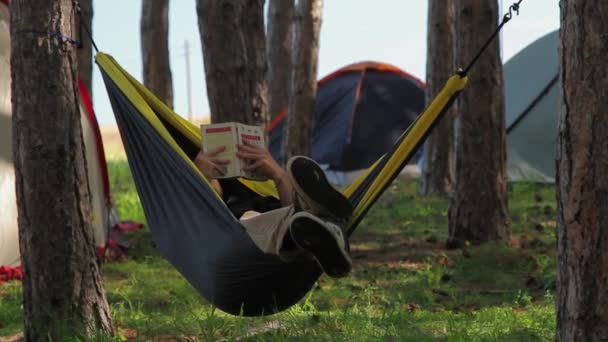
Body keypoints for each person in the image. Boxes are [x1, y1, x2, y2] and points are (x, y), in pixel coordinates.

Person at [194, 142, 353, 277]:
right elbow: (202, 214)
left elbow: (288, 208)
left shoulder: (256, 190)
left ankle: (324, 221)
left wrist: (278, 175)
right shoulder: (219, 215)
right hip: (249, 237)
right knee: (256, 219)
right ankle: (326, 218)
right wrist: (201, 179)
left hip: (287, 222)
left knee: (296, 216)